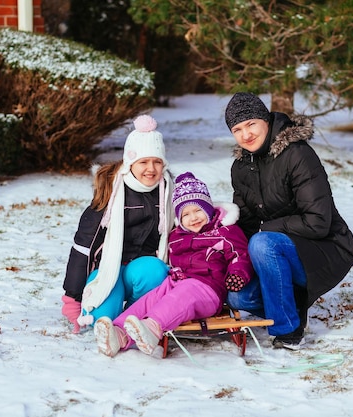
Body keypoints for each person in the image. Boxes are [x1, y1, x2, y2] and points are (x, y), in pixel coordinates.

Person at [224, 92, 353, 350]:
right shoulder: (240, 167)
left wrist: (268, 230)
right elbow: (246, 225)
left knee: (263, 243)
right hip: (275, 249)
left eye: (251, 124)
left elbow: (318, 221)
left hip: (325, 247)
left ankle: (288, 330)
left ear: (265, 120)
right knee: (237, 296)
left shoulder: (297, 155)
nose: (246, 134)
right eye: (237, 129)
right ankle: (292, 303)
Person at [93, 172, 254, 357]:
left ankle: (153, 328)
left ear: (209, 209)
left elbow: (239, 255)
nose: (193, 217)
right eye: (185, 214)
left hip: (208, 289)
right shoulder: (177, 237)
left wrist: (237, 275)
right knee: (150, 299)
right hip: (177, 281)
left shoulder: (226, 231)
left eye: (198, 210)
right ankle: (118, 333)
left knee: (181, 295)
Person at [61, 114, 175, 333]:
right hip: (107, 270)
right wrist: (72, 299)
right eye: (143, 162)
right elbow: (84, 248)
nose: (150, 169)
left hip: (139, 272)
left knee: (154, 270)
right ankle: (104, 310)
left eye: (157, 162)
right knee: (101, 321)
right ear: (130, 162)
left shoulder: (167, 192)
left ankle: (137, 314)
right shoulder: (111, 194)